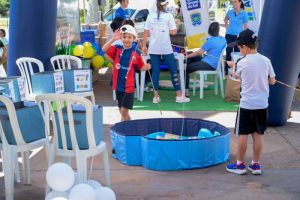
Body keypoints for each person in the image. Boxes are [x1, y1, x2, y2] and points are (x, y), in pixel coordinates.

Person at [226, 29, 276, 175]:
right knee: (257, 135)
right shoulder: (266, 60)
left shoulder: (241, 62)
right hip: (262, 104)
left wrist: (232, 66)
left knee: (242, 134)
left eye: (239, 47)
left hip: (247, 105)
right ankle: (255, 164)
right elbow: (272, 81)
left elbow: (236, 76)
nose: (239, 49)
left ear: (245, 47)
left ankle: (240, 165)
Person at [142, 0, 190, 104]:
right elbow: (173, 32)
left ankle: (156, 97)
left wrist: (143, 46)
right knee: (173, 70)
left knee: (155, 71)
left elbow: (145, 33)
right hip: (166, 48)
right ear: (165, 4)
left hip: (153, 47)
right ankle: (179, 96)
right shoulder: (169, 16)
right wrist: (176, 24)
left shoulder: (150, 15)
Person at [102, 24, 151, 121]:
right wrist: (113, 39)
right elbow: (104, 50)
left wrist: (147, 67)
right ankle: (129, 124)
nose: (126, 39)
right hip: (118, 85)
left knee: (124, 111)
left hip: (128, 87)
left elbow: (141, 67)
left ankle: (122, 131)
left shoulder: (136, 52)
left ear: (134, 38)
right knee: (122, 111)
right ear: (121, 38)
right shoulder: (117, 48)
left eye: (129, 37)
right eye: (124, 37)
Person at [184, 22, 226, 97]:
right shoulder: (223, 39)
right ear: (218, 30)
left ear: (209, 30)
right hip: (213, 62)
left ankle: (186, 90)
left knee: (185, 68)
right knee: (192, 55)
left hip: (209, 64)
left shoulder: (210, 41)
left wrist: (186, 56)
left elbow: (199, 52)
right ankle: (185, 62)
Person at [224, 0, 248, 75]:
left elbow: (245, 26)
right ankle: (226, 70)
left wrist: (244, 36)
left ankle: (237, 72)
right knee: (228, 52)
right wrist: (227, 27)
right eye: (233, 2)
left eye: (235, 2)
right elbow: (225, 19)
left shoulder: (244, 14)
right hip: (229, 35)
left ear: (240, 3)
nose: (234, 3)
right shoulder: (230, 12)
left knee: (238, 54)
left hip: (239, 37)